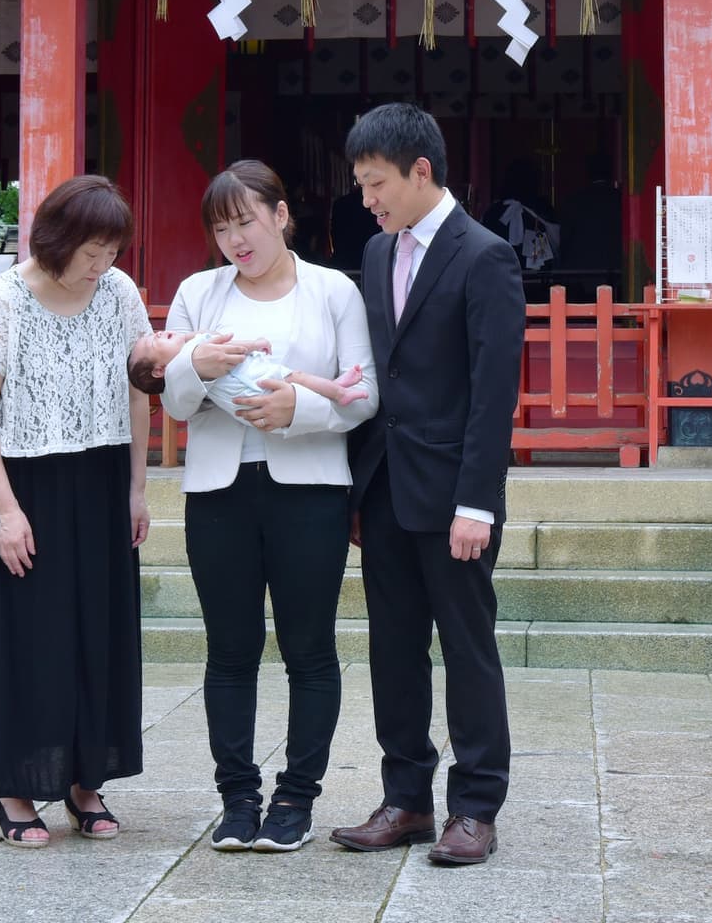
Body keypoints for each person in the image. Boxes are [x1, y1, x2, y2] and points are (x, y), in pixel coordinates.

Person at [158, 159, 378, 854]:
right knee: (230, 650)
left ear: (281, 215)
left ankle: (296, 798)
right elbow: (169, 398)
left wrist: (298, 408)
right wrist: (197, 368)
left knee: (309, 648)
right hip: (219, 490)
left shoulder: (334, 291)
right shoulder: (198, 293)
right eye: (222, 229)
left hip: (309, 489)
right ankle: (237, 798)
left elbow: (364, 394)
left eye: (246, 221)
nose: (236, 240)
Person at [331, 103, 525, 867]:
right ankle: (406, 797)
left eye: (375, 183)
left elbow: (492, 393)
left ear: (420, 171)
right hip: (383, 488)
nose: (367, 199)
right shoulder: (378, 255)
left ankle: (476, 805)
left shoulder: (484, 257)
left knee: (468, 649)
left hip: (454, 496)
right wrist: (355, 488)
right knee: (394, 648)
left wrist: (477, 502)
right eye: (360, 185)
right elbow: (378, 376)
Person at [0, 174, 151, 848]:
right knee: (26, 639)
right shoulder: (4, 299)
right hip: (26, 484)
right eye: (93, 251)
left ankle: (85, 782)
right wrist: (7, 511)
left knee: (97, 634)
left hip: (101, 478)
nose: (104, 265)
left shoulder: (120, 294)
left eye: (112, 251)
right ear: (58, 239)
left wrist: (136, 488)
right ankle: (14, 790)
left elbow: (136, 397)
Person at [128, 328, 367, 408]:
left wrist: (254, 345)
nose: (158, 333)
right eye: (152, 342)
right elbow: (231, 345)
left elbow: (217, 339)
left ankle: (335, 388)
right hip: (252, 383)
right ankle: (339, 392)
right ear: (159, 370)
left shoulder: (193, 347)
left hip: (251, 379)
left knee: (299, 383)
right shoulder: (188, 363)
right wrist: (253, 344)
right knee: (297, 378)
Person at [557, 151, 623, 300]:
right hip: (613, 273)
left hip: (577, 275)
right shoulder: (620, 200)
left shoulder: (573, 200)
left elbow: (565, 240)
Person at [482, 158, 559, 276]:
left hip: (497, 279)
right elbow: (542, 262)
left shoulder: (493, 212)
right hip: (532, 284)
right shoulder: (539, 213)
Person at [328, 184, 379, 272]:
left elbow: (335, 233)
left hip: (344, 261)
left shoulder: (340, 203)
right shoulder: (376, 204)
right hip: (372, 261)